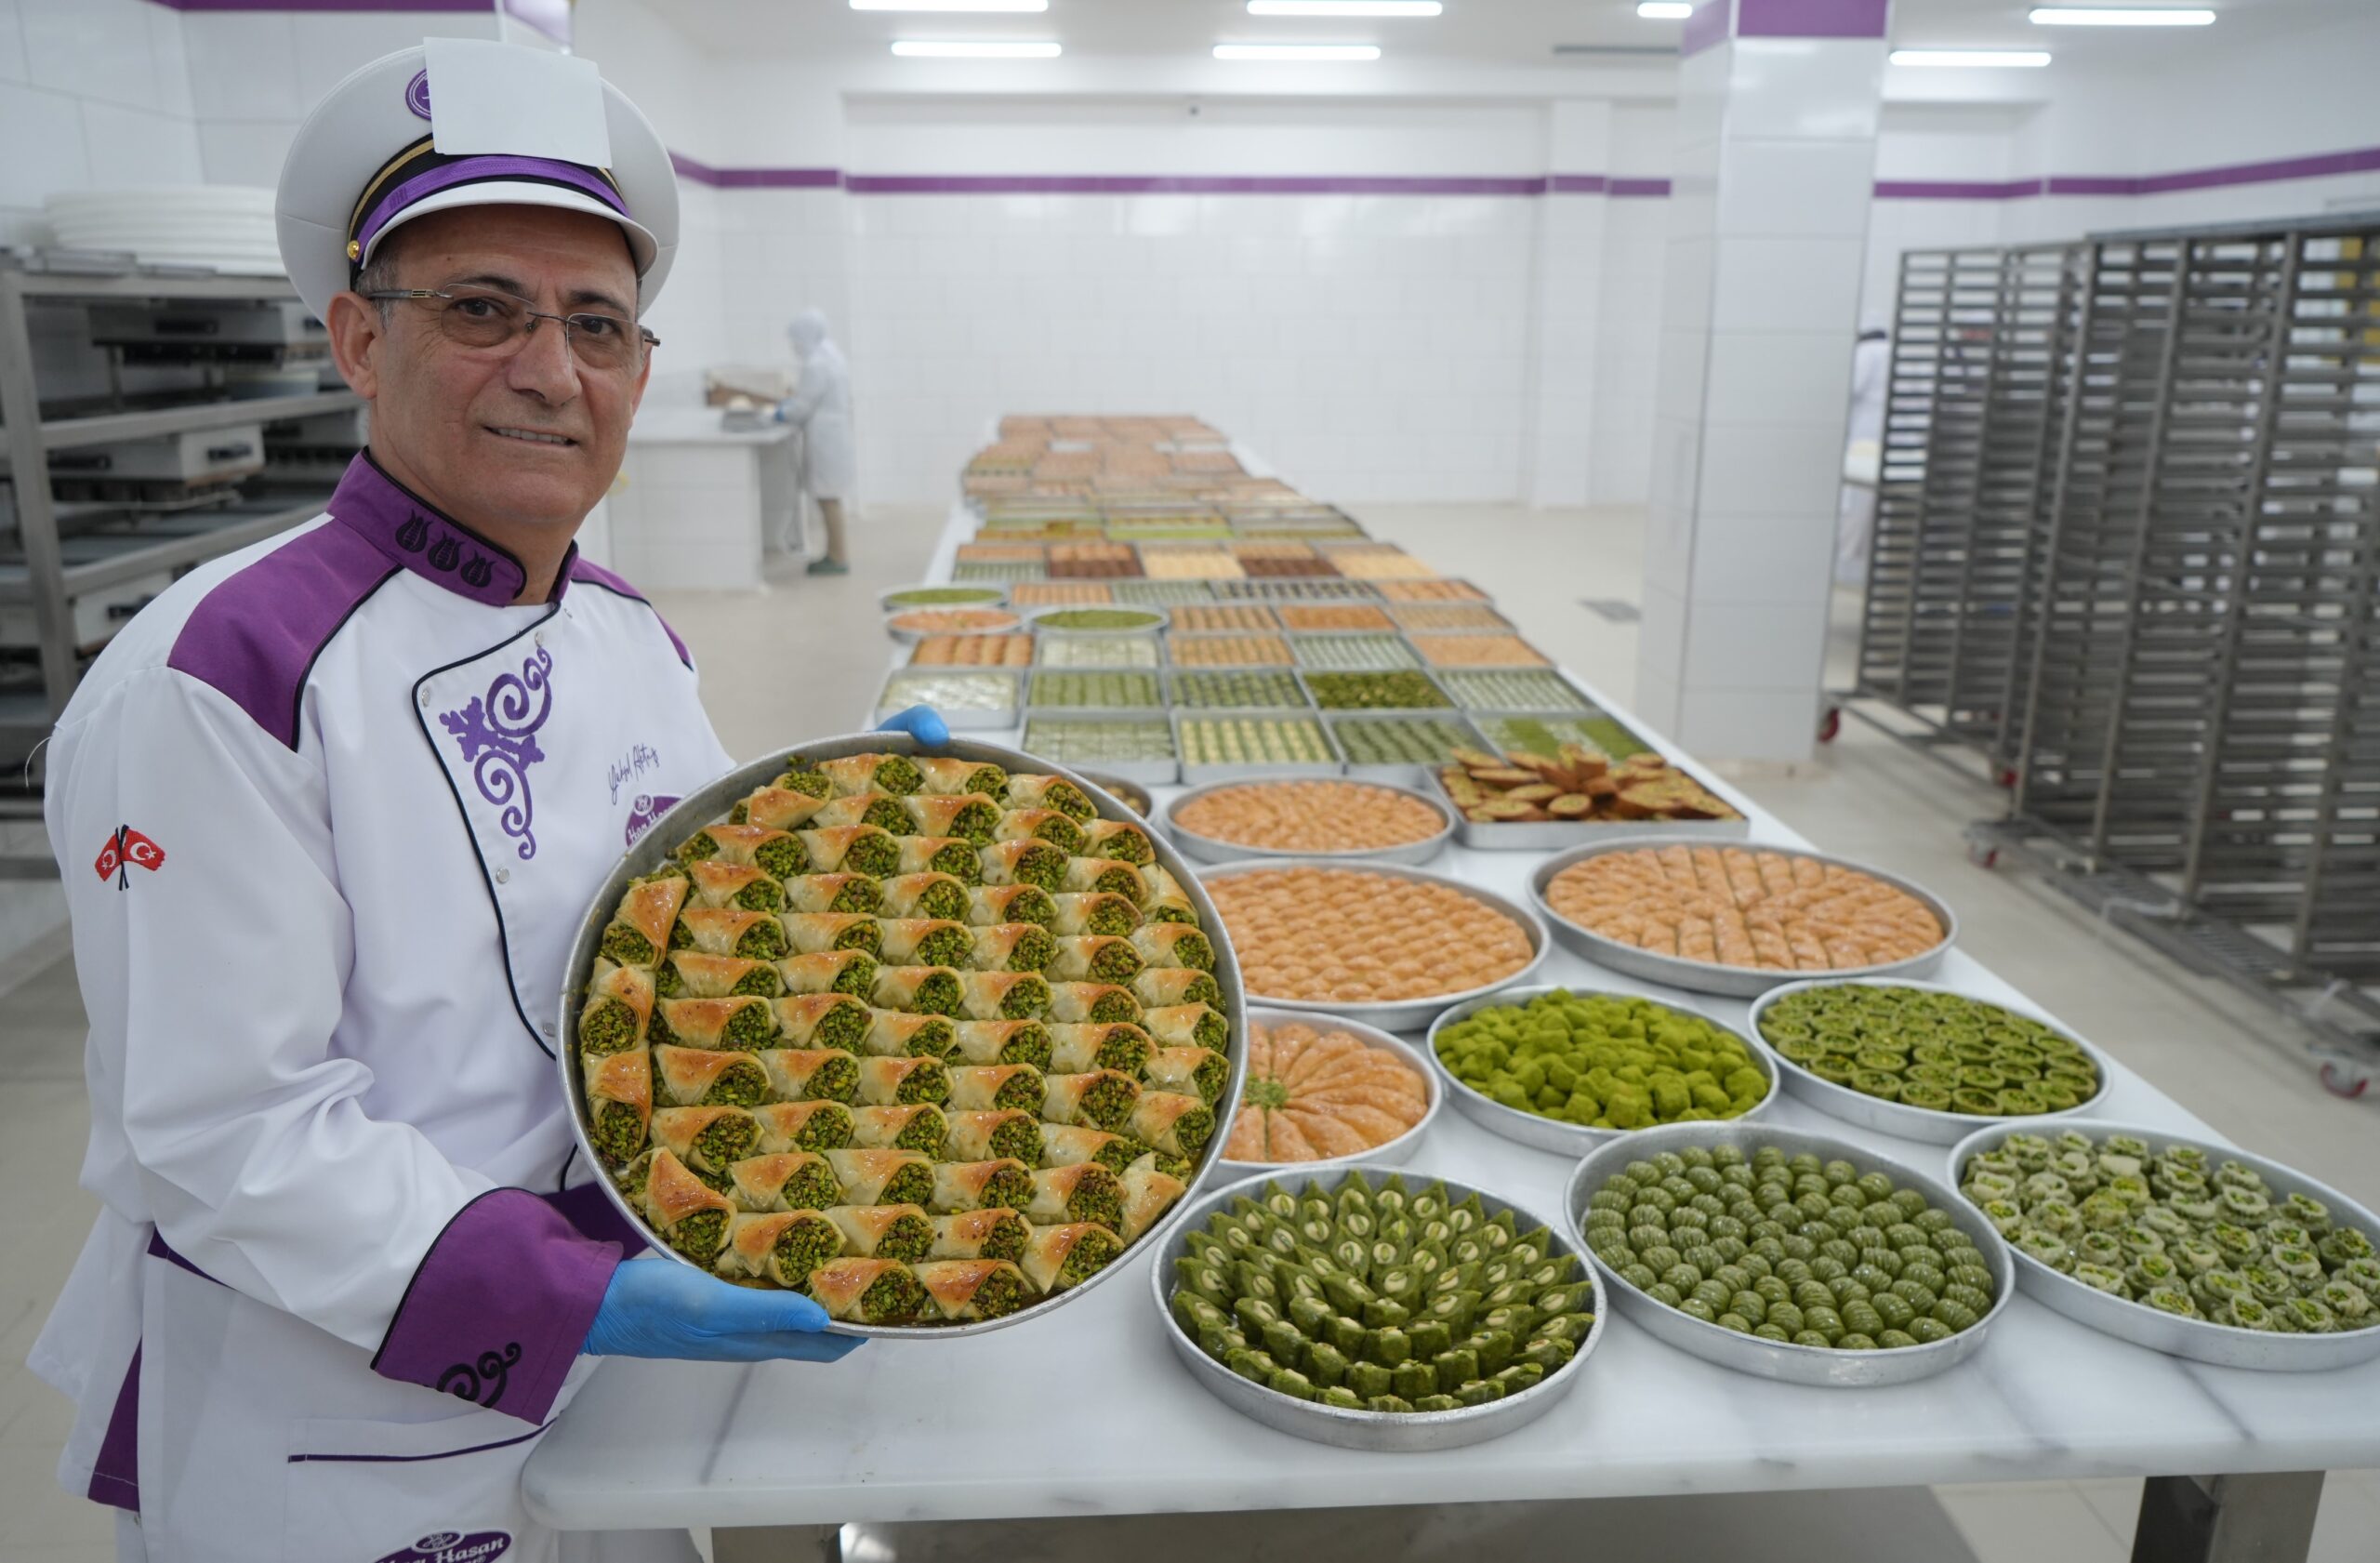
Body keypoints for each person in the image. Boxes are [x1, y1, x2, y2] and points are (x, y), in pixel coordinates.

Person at [28, 41, 942, 1563]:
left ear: (640, 371)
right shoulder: (224, 668)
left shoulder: (623, 629)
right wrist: (568, 1288)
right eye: (479, 310)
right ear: (355, 341)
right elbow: (229, 1129)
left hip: (627, 1341)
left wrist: (847, 830)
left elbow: (699, 918)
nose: (551, 368)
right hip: (341, 1402)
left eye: (597, 324)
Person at [775, 307, 855, 576]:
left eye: (796, 339)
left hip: (825, 438)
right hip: (834, 434)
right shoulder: (833, 357)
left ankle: (837, 557)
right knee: (831, 496)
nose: (795, 345)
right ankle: (836, 553)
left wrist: (782, 412)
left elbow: (803, 406)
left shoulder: (817, 364)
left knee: (828, 498)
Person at [1833, 324, 1891, 587]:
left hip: (1867, 429)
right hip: (1896, 432)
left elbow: (1851, 388)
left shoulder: (1867, 352)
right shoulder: (1894, 350)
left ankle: (1846, 564)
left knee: (1855, 503)